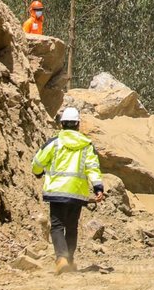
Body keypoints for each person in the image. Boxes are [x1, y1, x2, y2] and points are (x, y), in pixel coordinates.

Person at [31, 107, 104, 273]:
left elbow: (37, 162)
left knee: (57, 226)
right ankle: (69, 260)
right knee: (72, 227)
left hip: (56, 191)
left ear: (62, 124)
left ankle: (62, 258)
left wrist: (37, 172)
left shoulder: (54, 142)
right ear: (78, 125)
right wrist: (98, 187)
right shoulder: (87, 145)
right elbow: (93, 167)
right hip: (76, 193)